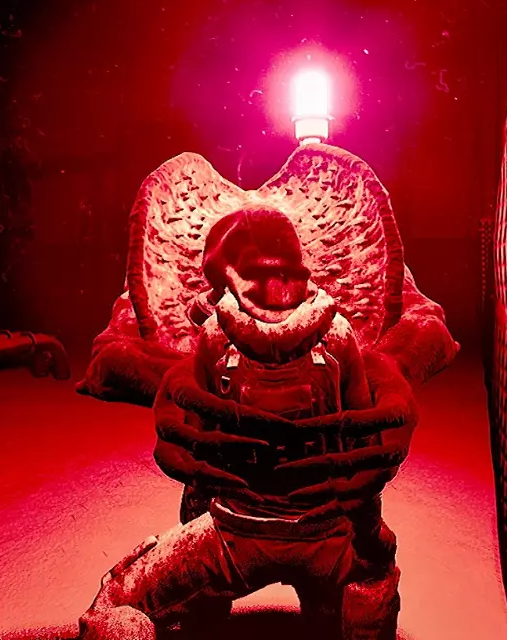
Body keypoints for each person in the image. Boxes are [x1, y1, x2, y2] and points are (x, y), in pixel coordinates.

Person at [78, 205, 402, 640]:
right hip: (328, 535)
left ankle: (205, 616)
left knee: (115, 602)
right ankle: (346, 609)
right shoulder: (339, 335)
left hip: (233, 533)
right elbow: (363, 449)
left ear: (226, 273)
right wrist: (367, 544)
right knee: (372, 575)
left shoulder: (214, 336)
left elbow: (199, 462)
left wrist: (198, 524)